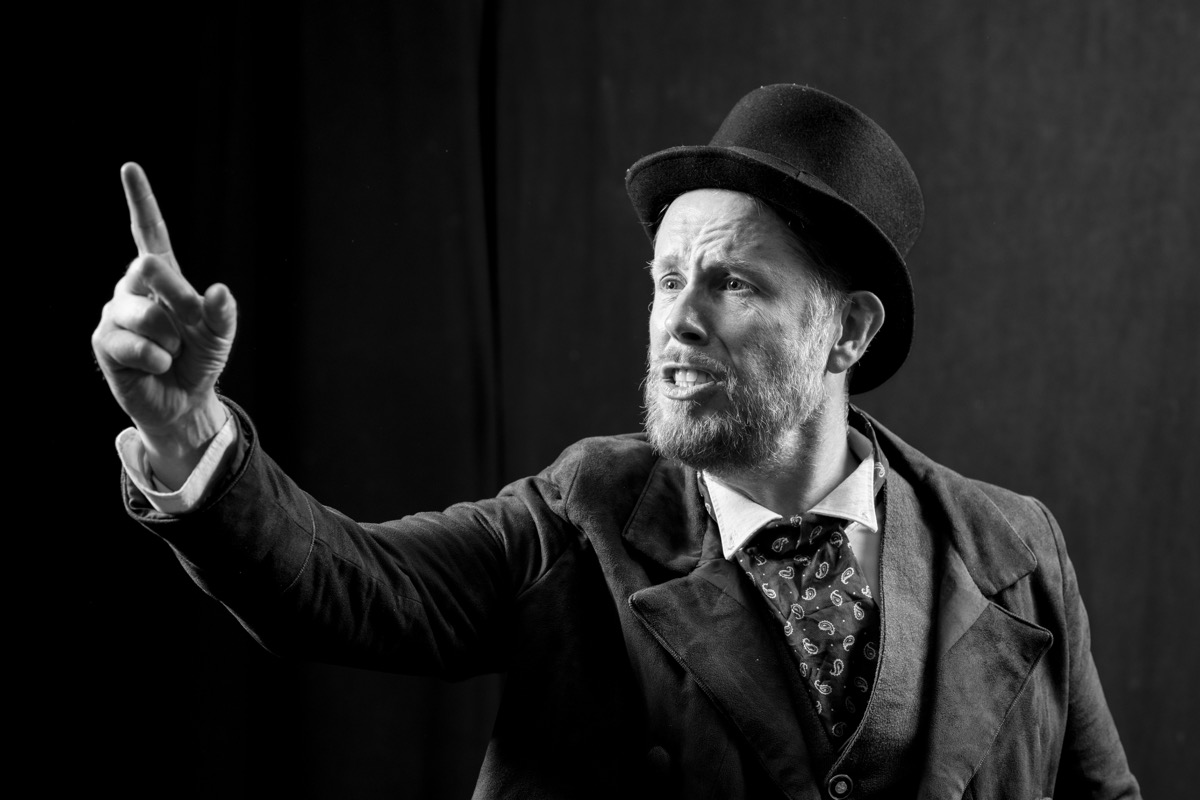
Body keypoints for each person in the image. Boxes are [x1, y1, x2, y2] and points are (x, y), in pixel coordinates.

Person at [92, 84, 1140, 799]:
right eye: (667, 279)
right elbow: (343, 584)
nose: (678, 320)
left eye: (732, 282)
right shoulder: (581, 511)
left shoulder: (1014, 548)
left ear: (848, 331)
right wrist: (189, 434)